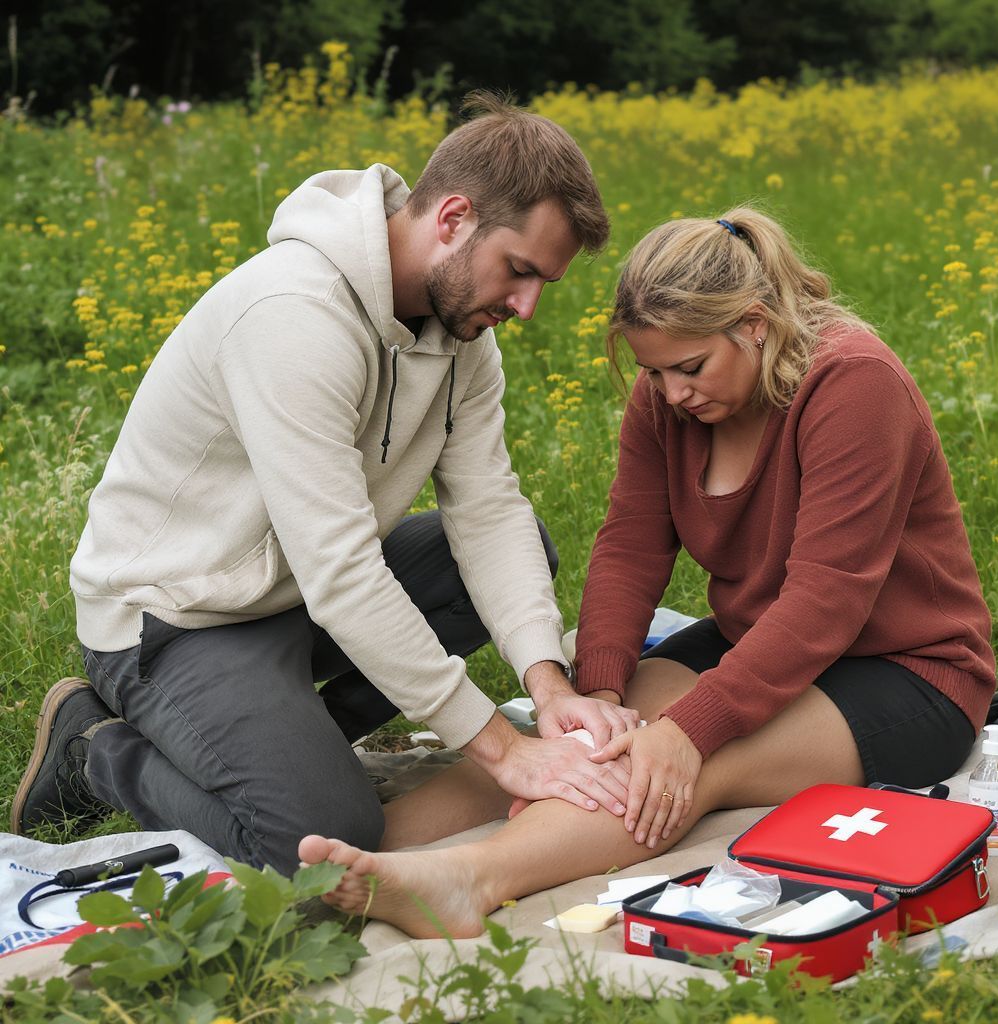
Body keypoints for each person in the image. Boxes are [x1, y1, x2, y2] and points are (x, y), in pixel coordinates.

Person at [298, 208, 997, 939]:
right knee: (581, 744)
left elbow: (827, 601)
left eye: (689, 368)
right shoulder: (669, 399)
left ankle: (468, 882)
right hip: (759, 643)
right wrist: (599, 691)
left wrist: (689, 729)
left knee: (686, 762)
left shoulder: (854, 385)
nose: (671, 394)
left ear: (755, 325)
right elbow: (630, 546)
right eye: (652, 372)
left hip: (906, 672)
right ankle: (334, 863)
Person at [11, 94, 643, 873]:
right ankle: (97, 749)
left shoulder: (464, 338)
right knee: (316, 842)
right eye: (519, 271)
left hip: (289, 594)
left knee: (518, 554)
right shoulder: (294, 314)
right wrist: (505, 752)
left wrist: (549, 688)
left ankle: (287, 744)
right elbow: (342, 573)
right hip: (175, 617)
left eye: (542, 282)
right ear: (453, 218)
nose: (527, 306)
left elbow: (488, 508)